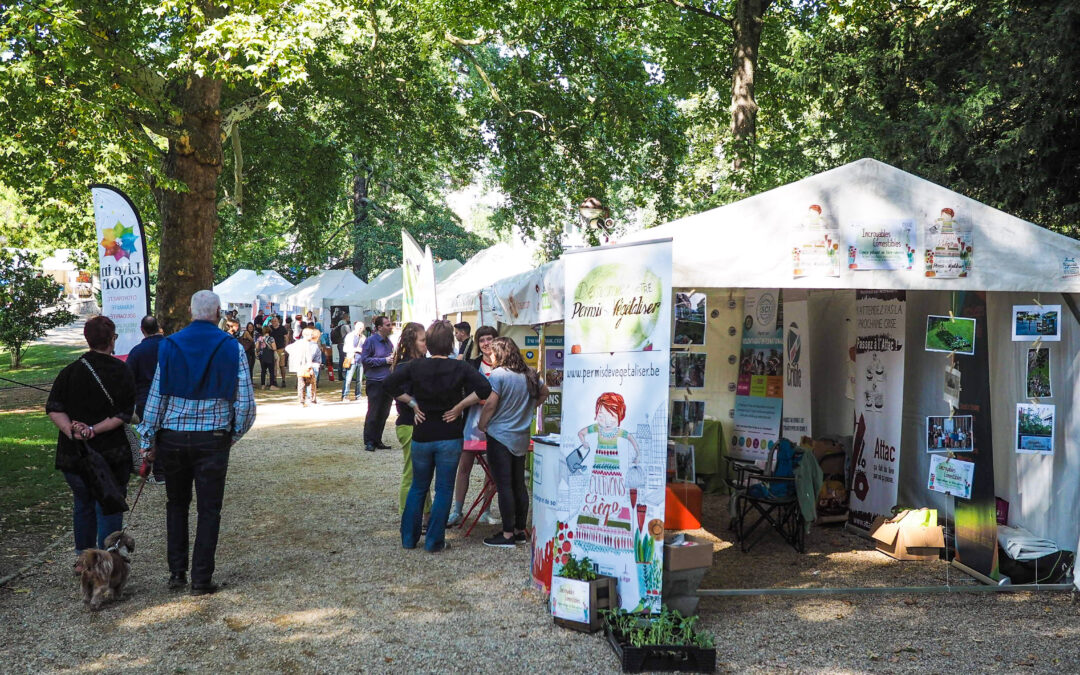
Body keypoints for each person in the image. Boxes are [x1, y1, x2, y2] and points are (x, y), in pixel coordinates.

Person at [138, 290, 256, 595]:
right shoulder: (232, 347)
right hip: (213, 438)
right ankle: (201, 579)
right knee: (209, 510)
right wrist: (233, 435)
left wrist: (148, 438)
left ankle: (177, 572)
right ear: (217, 312)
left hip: (173, 437)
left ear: (191, 311)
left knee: (176, 504)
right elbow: (245, 403)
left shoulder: (170, 345)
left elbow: (156, 398)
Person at [386, 320, 492, 553]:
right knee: (444, 488)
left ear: (430, 343)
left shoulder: (415, 366)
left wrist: (413, 403)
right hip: (449, 435)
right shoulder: (460, 367)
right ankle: (434, 541)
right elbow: (484, 388)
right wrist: (460, 406)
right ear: (450, 343)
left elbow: (389, 384)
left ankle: (408, 538)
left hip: (422, 434)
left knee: (418, 487)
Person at [47, 316, 137, 557]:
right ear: (111, 339)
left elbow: (54, 408)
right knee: (109, 504)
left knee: (83, 504)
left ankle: (84, 560)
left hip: (74, 453)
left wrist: (72, 431)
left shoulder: (70, 372)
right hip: (111, 453)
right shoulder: (121, 371)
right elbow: (124, 414)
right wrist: (93, 430)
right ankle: (108, 560)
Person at [477, 337, 548, 547]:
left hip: (500, 435)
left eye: (492, 354)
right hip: (521, 435)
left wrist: (482, 424)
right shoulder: (530, 374)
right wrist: (530, 407)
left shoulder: (498, 375)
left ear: (500, 354)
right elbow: (545, 392)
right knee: (519, 484)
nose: (490, 357)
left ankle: (506, 534)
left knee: (504, 484)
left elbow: (490, 404)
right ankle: (519, 531)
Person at [447, 325, 499, 526]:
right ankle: (457, 510)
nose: (486, 344)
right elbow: (462, 391)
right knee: (464, 466)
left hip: (497, 424)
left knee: (492, 470)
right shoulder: (471, 364)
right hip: (472, 422)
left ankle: (485, 510)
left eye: (490, 339)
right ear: (478, 343)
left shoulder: (505, 365)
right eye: (482, 340)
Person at [391, 322, 431, 529]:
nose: (426, 344)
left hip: (417, 424)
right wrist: (414, 404)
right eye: (423, 340)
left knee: (421, 473)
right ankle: (408, 517)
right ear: (412, 341)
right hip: (408, 423)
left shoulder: (420, 362)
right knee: (412, 473)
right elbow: (391, 387)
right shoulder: (405, 366)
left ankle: (426, 516)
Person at [126, 315, 167, 485]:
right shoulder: (170, 347)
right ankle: (167, 471)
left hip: (145, 399)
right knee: (167, 434)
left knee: (150, 435)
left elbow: (128, 378)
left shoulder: (137, 352)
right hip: (169, 397)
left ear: (142, 330)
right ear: (159, 327)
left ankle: (155, 472)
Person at [360, 315, 395, 451]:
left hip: (387, 381)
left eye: (390, 324)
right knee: (374, 412)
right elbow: (365, 360)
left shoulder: (388, 342)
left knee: (384, 413)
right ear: (379, 327)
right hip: (375, 381)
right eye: (387, 325)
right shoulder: (370, 341)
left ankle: (377, 439)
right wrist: (384, 361)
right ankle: (369, 440)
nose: (390, 327)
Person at [287, 326, 323, 406]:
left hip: (301, 366)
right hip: (306, 366)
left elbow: (288, 348)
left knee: (302, 384)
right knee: (310, 384)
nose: (312, 336)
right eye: (311, 334)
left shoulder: (299, 342)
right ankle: (310, 400)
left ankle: (302, 401)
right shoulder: (306, 344)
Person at [340, 321, 366, 401]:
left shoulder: (363, 337)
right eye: (359, 328)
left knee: (359, 379)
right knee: (348, 379)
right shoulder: (350, 336)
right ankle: (345, 395)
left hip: (360, 360)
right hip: (352, 359)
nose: (360, 329)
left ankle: (358, 395)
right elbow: (345, 349)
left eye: (362, 328)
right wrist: (356, 349)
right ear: (356, 327)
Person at [269, 316, 289, 387]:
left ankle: (283, 380)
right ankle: (274, 380)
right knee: (273, 366)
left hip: (281, 349)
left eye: (275, 321)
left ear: (278, 321)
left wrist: (286, 347)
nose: (274, 322)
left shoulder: (282, 328)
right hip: (272, 350)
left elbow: (286, 338)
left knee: (282, 365)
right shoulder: (269, 328)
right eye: (273, 321)